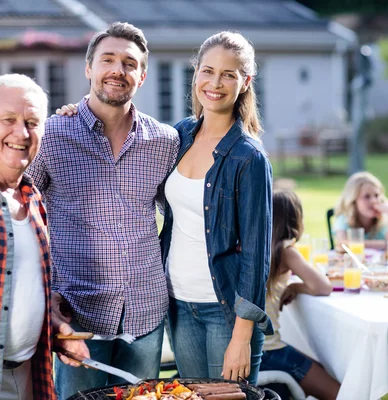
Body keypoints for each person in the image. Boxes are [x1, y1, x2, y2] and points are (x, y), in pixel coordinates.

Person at [26, 22, 180, 399]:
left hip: (145, 310)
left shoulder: (165, 141)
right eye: (107, 59)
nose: (118, 70)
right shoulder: (51, 136)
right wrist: (46, 293)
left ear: (142, 76)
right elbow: (21, 215)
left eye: (129, 63)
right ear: (89, 68)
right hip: (78, 313)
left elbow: (182, 213)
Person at [0, 74, 86, 400]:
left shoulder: (32, 197)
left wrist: (55, 328)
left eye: (32, 122)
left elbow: (20, 291)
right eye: (8, 119)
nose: (21, 133)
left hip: (31, 376)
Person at [159, 31, 273, 384]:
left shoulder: (249, 158)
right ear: (196, 74)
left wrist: (242, 336)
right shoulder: (179, 136)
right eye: (208, 71)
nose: (215, 83)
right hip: (178, 305)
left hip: (224, 313)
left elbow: (256, 254)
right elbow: (129, 137)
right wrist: (78, 112)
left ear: (245, 82)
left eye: (229, 74)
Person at [260, 190, 340, 400]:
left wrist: (293, 286)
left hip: (256, 348)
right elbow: (323, 286)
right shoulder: (285, 251)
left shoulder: (259, 247)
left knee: (320, 369)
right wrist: (297, 288)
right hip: (268, 350)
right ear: (295, 219)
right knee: (340, 393)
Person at [333, 171, 388, 250]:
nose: (374, 201)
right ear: (353, 201)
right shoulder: (345, 219)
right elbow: (343, 245)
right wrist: (385, 244)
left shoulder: (384, 220)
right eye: (367, 197)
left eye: (376, 195)